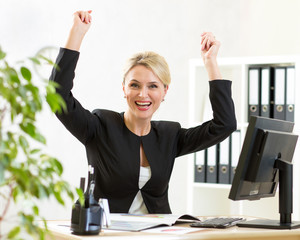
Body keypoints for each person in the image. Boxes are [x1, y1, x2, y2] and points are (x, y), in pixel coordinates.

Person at [50, 10, 236, 214]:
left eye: (153, 86)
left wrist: (211, 63)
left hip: (158, 233)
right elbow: (58, 96)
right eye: (135, 85)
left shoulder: (169, 135)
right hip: (109, 233)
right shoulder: (100, 126)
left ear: (165, 91)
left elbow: (224, 125)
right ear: (124, 89)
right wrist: (76, 34)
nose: (143, 95)